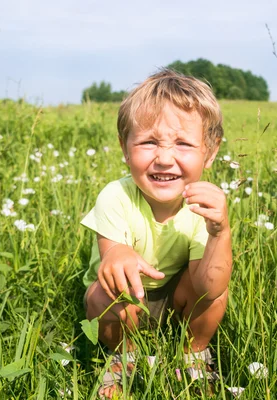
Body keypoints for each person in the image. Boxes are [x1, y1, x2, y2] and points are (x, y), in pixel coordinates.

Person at [81, 68, 232, 398]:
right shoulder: (115, 196)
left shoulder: (204, 206)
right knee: (103, 294)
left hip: (175, 295)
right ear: (125, 148)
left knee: (215, 293)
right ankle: (124, 356)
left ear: (210, 151)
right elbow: (111, 259)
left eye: (183, 143)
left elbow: (211, 285)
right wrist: (119, 252)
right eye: (149, 142)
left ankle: (194, 355)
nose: (165, 158)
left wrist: (219, 231)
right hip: (124, 297)